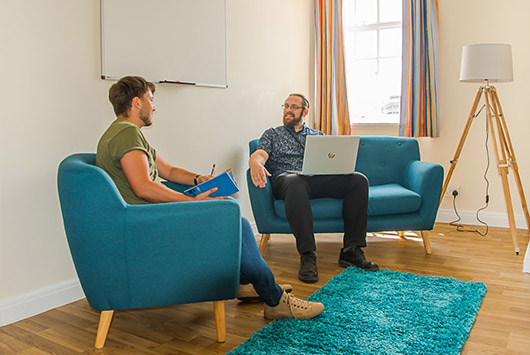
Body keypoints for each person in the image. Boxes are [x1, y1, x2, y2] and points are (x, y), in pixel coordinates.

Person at [96, 76, 324, 320]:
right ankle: (274, 299)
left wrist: (198, 179)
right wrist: (193, 202)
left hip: (149, 215)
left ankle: (246, 283)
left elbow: (168, 171)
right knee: (234, 217)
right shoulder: (126, 135)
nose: (154, 106)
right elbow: (144, 188)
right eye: (151, 100)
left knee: (231, 210)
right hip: (149, 221)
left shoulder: (126, 134)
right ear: (136, 103)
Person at [249, 93, 379, 283]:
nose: (288, 110)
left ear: (305, 112)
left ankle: (351, 251)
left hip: (316, 179)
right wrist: (255, 163)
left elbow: (330, 161)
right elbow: (260, 154)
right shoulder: (272, 134)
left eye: (294, 107)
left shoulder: (318, 135)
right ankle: (307, 254)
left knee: (358, 180)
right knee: (295, 181)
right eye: (286, 106)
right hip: (288, 180)